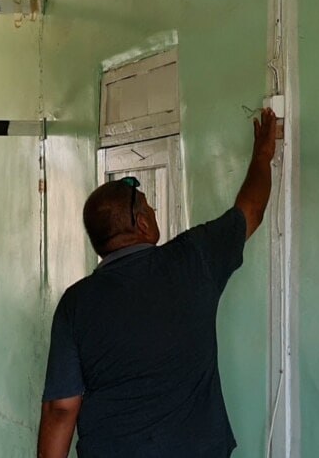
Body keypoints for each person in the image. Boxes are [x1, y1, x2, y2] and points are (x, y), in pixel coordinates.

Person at [37, 109, 279, 458]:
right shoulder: (193, 259)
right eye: (149, 208)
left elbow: (61, 410)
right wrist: (263, 156)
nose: (153, 213)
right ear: (141, 224)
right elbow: (250, 211)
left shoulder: (75, 304)